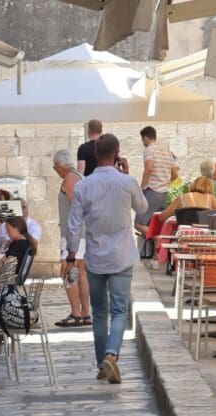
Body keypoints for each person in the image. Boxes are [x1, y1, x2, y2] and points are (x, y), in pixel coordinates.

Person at [66, 133, 147, 384]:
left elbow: (73, 225)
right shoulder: (127, 181)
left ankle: (102, 363)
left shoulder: (83, 186)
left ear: (95, 155)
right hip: (122, 255)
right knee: (119, 311)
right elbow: (143, 207)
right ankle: (112, 354)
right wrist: (128, 174)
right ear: (117, 154)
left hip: (96, 257)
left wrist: (71, 255)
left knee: (99, 312)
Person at [53, 149, 91, 327]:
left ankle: (76, 313)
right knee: (81, 274)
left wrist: (70, 242)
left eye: (55, 167)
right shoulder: (81, 177)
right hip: (83, 234)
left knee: (69, 273)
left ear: (59, 165)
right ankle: (85, 313)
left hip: (73, 235)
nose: (55, 170)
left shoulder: (69, 179)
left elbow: (76, 209)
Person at [139, 125, 178, 237]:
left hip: (152, 191)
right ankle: (159, 244)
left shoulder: (148, 150)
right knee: (159, 225)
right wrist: (165, 183)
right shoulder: (167, 152)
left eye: (142, 139)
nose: (143, 142)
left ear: (145, 137)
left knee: (139, 224)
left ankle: (156, 239)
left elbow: (149, 168)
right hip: (165, 194)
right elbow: (175, 175)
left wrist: (142, 188)